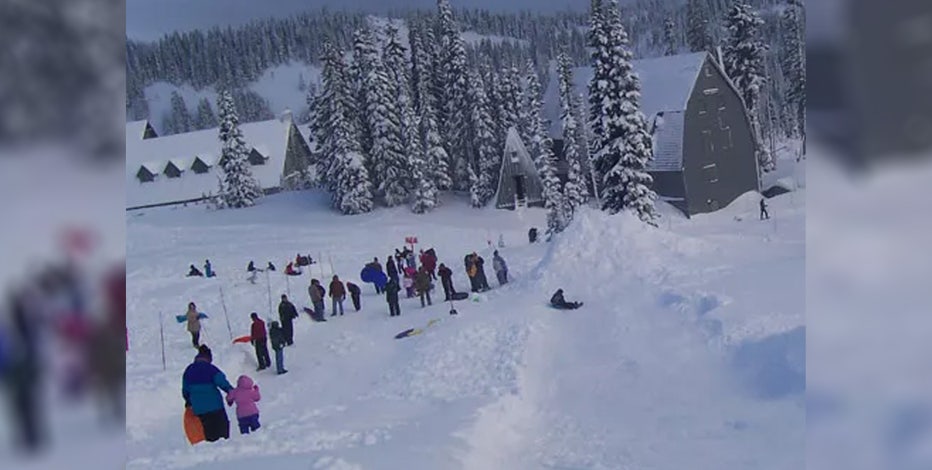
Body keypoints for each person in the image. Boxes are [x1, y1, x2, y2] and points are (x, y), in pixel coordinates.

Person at [182, 345, 234, 442]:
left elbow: (185, 389)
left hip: (199, 409)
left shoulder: (189, 370)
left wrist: (188, 402)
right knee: (222, 435)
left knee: (208, 434)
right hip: (216, 407)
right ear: (208, 357)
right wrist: (232, 392)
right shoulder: (211, 369)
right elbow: (223, 383)